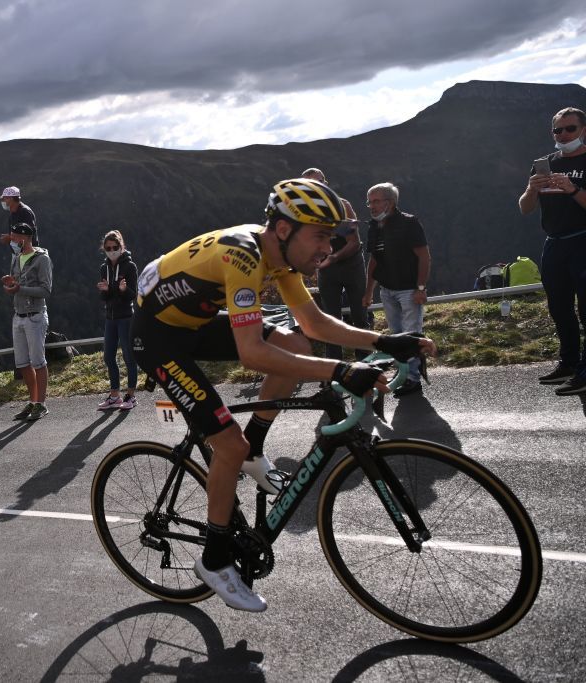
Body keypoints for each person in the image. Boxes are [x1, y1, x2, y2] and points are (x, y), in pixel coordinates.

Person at [133, 177, 436, 612]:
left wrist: (383, 342)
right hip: (158, 338)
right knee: (227, 444)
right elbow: (252, 353)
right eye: (318, 236)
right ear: (283, 230)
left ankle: (254, 448)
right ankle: (215, 561)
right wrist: (342, 369)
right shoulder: (243, 255)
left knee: (296, 344)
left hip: (193, 323)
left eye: (331, 238)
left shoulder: (281, 258)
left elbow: (313, 324)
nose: (327, 249)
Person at [518, 106, 586, 396]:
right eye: (557, 130)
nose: (563, 135)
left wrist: (572, 188)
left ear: (583, 129)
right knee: (559, 307)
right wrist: (532, 189)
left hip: (583, 239)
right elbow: (524, 208)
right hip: (554, 243)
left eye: (570, 129)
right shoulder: (544, 163)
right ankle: (569, 363)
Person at [361, 182, 431, 397]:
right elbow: (374, 260)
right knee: (396, 336)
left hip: (409, 290)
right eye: (369, 202)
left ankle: (412, 379)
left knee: (410, 334)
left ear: (389, 203)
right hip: (387, 289)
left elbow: (424, 256)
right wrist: (368, 291)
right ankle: (404, 375)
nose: (371, 206)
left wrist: (420, 288)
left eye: (376, 201)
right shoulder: (374, 226)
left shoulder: (409, 223)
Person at [301, 168, 367, 360]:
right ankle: (335, 375)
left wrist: (332, 258)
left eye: (320, 182)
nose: (318, 187)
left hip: (351, 265)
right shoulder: (305, 211)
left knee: (359, 317)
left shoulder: (343, 205)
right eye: (312, 184)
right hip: (327, 270)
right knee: (330, 321)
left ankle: (365, 368)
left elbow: (354, 242)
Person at [2, 222, 53, 420]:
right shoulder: (16, 258)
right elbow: (17, 284)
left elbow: (46, 290)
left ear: (25, 238)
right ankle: (32, 402)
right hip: (19, 315)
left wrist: (19, 289)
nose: (12, 241)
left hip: (35, 316)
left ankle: (41, 403)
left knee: (38, 362)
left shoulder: (42, 260)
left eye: (14, 237)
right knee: (22, 363)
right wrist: (11, 284)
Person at [95, 230, 139, 411]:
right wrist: (104, 290)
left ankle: (131, 396)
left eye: (115, 247)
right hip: (110, 318)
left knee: (129, 357)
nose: (112, 250)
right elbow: (104, 298)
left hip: (126, 317)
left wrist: (122, 290)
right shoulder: (103, 268)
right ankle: (114, 396)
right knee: (108, 356)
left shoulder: (130, 267)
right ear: (104, 249)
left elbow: (132, 295)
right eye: (108, 248)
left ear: (122, 247)